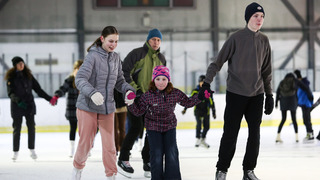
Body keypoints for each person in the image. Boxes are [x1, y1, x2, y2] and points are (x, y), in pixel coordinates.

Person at [198, 2, 273, 180]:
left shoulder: (264, 40)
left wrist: (269, 94)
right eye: (256, 16)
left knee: (254, 134)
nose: (259, 19)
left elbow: (267, 71)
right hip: (236, 93)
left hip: (257, 94)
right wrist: (206, 83)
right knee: (230, 133)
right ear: (248, 18)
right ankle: (222, 170)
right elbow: (217, 62)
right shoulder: (236, 38)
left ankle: (248, 170)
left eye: (261, 17)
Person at [71, 26, 136, 180]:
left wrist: (128, 90)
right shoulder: (92, 56)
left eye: (116, 41)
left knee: (110, 146)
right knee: (86, 144)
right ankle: (77, 168)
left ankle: (111, 175)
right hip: (88, 107)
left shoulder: (115, 58)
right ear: (102, 39)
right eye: (110, 41)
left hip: (107, 107)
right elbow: (79, 79)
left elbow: (120, 80)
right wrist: (92, 93)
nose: (113, 44)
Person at [128, 65, 202, 180]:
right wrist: (131, 103)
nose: (161, 82)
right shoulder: (148, 96)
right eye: (158, 79)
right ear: (153, 80)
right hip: (153, 128)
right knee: (156, 154)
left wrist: (200, 96)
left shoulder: (174, 93)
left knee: (171, 153)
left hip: (169, 126)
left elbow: (188, 102)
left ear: (168, 80)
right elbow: (138, 112)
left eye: (164, 79)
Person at [119, 28, 167, 178]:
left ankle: (147, 161)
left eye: (158, 40)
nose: (156, 42)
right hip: (136, 97)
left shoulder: (162, 59)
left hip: (153, 100)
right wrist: (135, 90)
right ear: (148, 40)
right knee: (136, 127)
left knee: (152, 130)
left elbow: (163, 78)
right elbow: (124, 72)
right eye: (153, 39)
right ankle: (123, 158)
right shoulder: (137, 54)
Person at [5, 56, 53, 161]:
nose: (22, 65)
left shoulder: (29, 76)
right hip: (17, 106)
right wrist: (19, 102)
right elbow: (10, 93)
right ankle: (15, 152)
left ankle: (32, 150)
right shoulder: (11, 78)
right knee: (17, 129)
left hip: (29, 106)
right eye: (19, 63)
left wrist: (49, 98)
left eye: (22, 63)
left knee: (31, 128)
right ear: (15, 66)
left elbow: (38, 90)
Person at [50, 60, 83, 157]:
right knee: (73, 128)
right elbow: (62, 89)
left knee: (83, 130)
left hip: (84, 108)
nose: (80, 70)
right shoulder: (69, 80)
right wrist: (56, 96)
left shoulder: (87, 79)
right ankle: (72, 149)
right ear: (75, 69)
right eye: (78, 68)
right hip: (72, 108)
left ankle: (85, 148)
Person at [181, 75, 216, 148]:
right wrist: (185, 109)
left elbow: (211, 102)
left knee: (207, 126)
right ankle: (198, 139)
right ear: (199, 82)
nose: (202, 84)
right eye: (201, 82)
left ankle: (202, 139)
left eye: (204, 82)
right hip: (198, 111)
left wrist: (213, 112)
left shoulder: (208, 91)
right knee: (199, 125)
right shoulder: (195, 91)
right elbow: (189, 100)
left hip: (206, 111)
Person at [275, 73, 299, 143]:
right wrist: (297, 102)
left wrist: (276, 103)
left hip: (283, 102)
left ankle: (278, 136)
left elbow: (277, 92)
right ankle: (297, 137)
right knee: (294, 119)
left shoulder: (282, 82)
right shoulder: (294, 82)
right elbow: (297, 91)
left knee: (283, 119)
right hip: (292, 101)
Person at [294, 69, 314, 142]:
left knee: (307, 120)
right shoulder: (299, 84)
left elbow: (308, 92)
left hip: (306, 104)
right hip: (303, 104)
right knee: (305, 120)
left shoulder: (303, 84)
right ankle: (309, 134)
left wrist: (311, 101)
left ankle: (310, 134)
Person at [114, 89, 127, 154]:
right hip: (112, 104)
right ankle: (115, 148)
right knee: (114, 128)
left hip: (122, 103)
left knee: (122, 128)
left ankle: (122, 148)